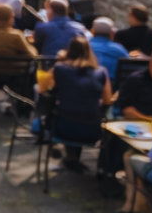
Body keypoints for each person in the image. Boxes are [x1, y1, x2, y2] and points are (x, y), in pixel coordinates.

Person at [36, 36, 112, 171]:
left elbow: (43, 88)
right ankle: (73, 159)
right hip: (92, 131)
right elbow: (107, 99)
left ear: (69, 51)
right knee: (82, 111)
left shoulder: (59, 68)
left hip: (63, 129)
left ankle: (70, 157)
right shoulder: (101, 72)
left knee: (66, 111)